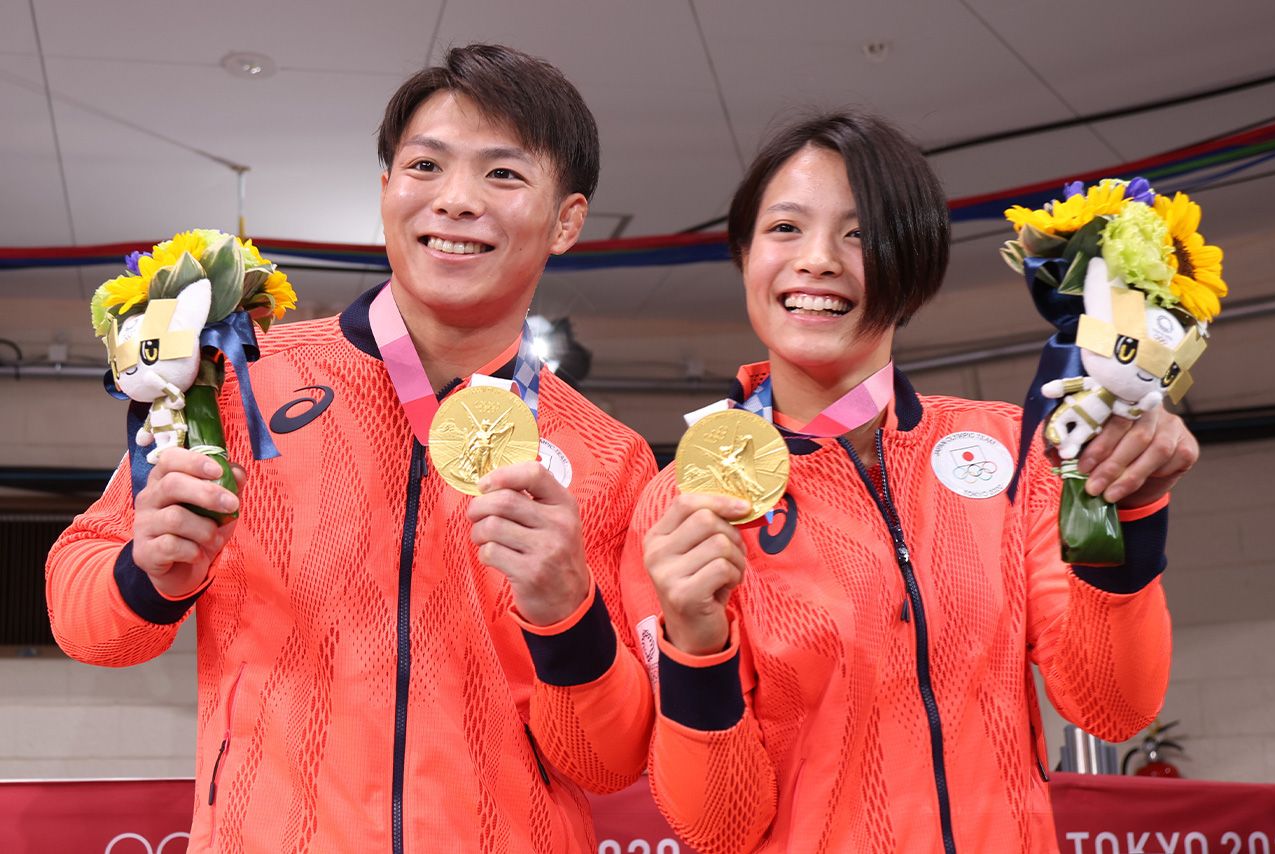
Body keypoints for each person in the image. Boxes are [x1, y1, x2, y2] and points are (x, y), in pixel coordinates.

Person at [46, 44, 656, 852]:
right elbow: (86, 622)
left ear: (568, 221)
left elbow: (608, 762)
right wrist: (146, 574)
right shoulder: (242, 386)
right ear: (386, 189)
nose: (456, 200)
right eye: (426, 165)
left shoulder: (610, 459)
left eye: (503, 174)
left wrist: (567, 613)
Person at [619, 113, 1193, 852]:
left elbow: (1111, 706)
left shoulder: (1015, 451)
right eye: (785, 228)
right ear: (745, 256)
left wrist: (1134, 511)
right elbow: (716, 826)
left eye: (860, 235)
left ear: (914, 266)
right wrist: (693, 645)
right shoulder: (683, 503)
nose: (818, 260)